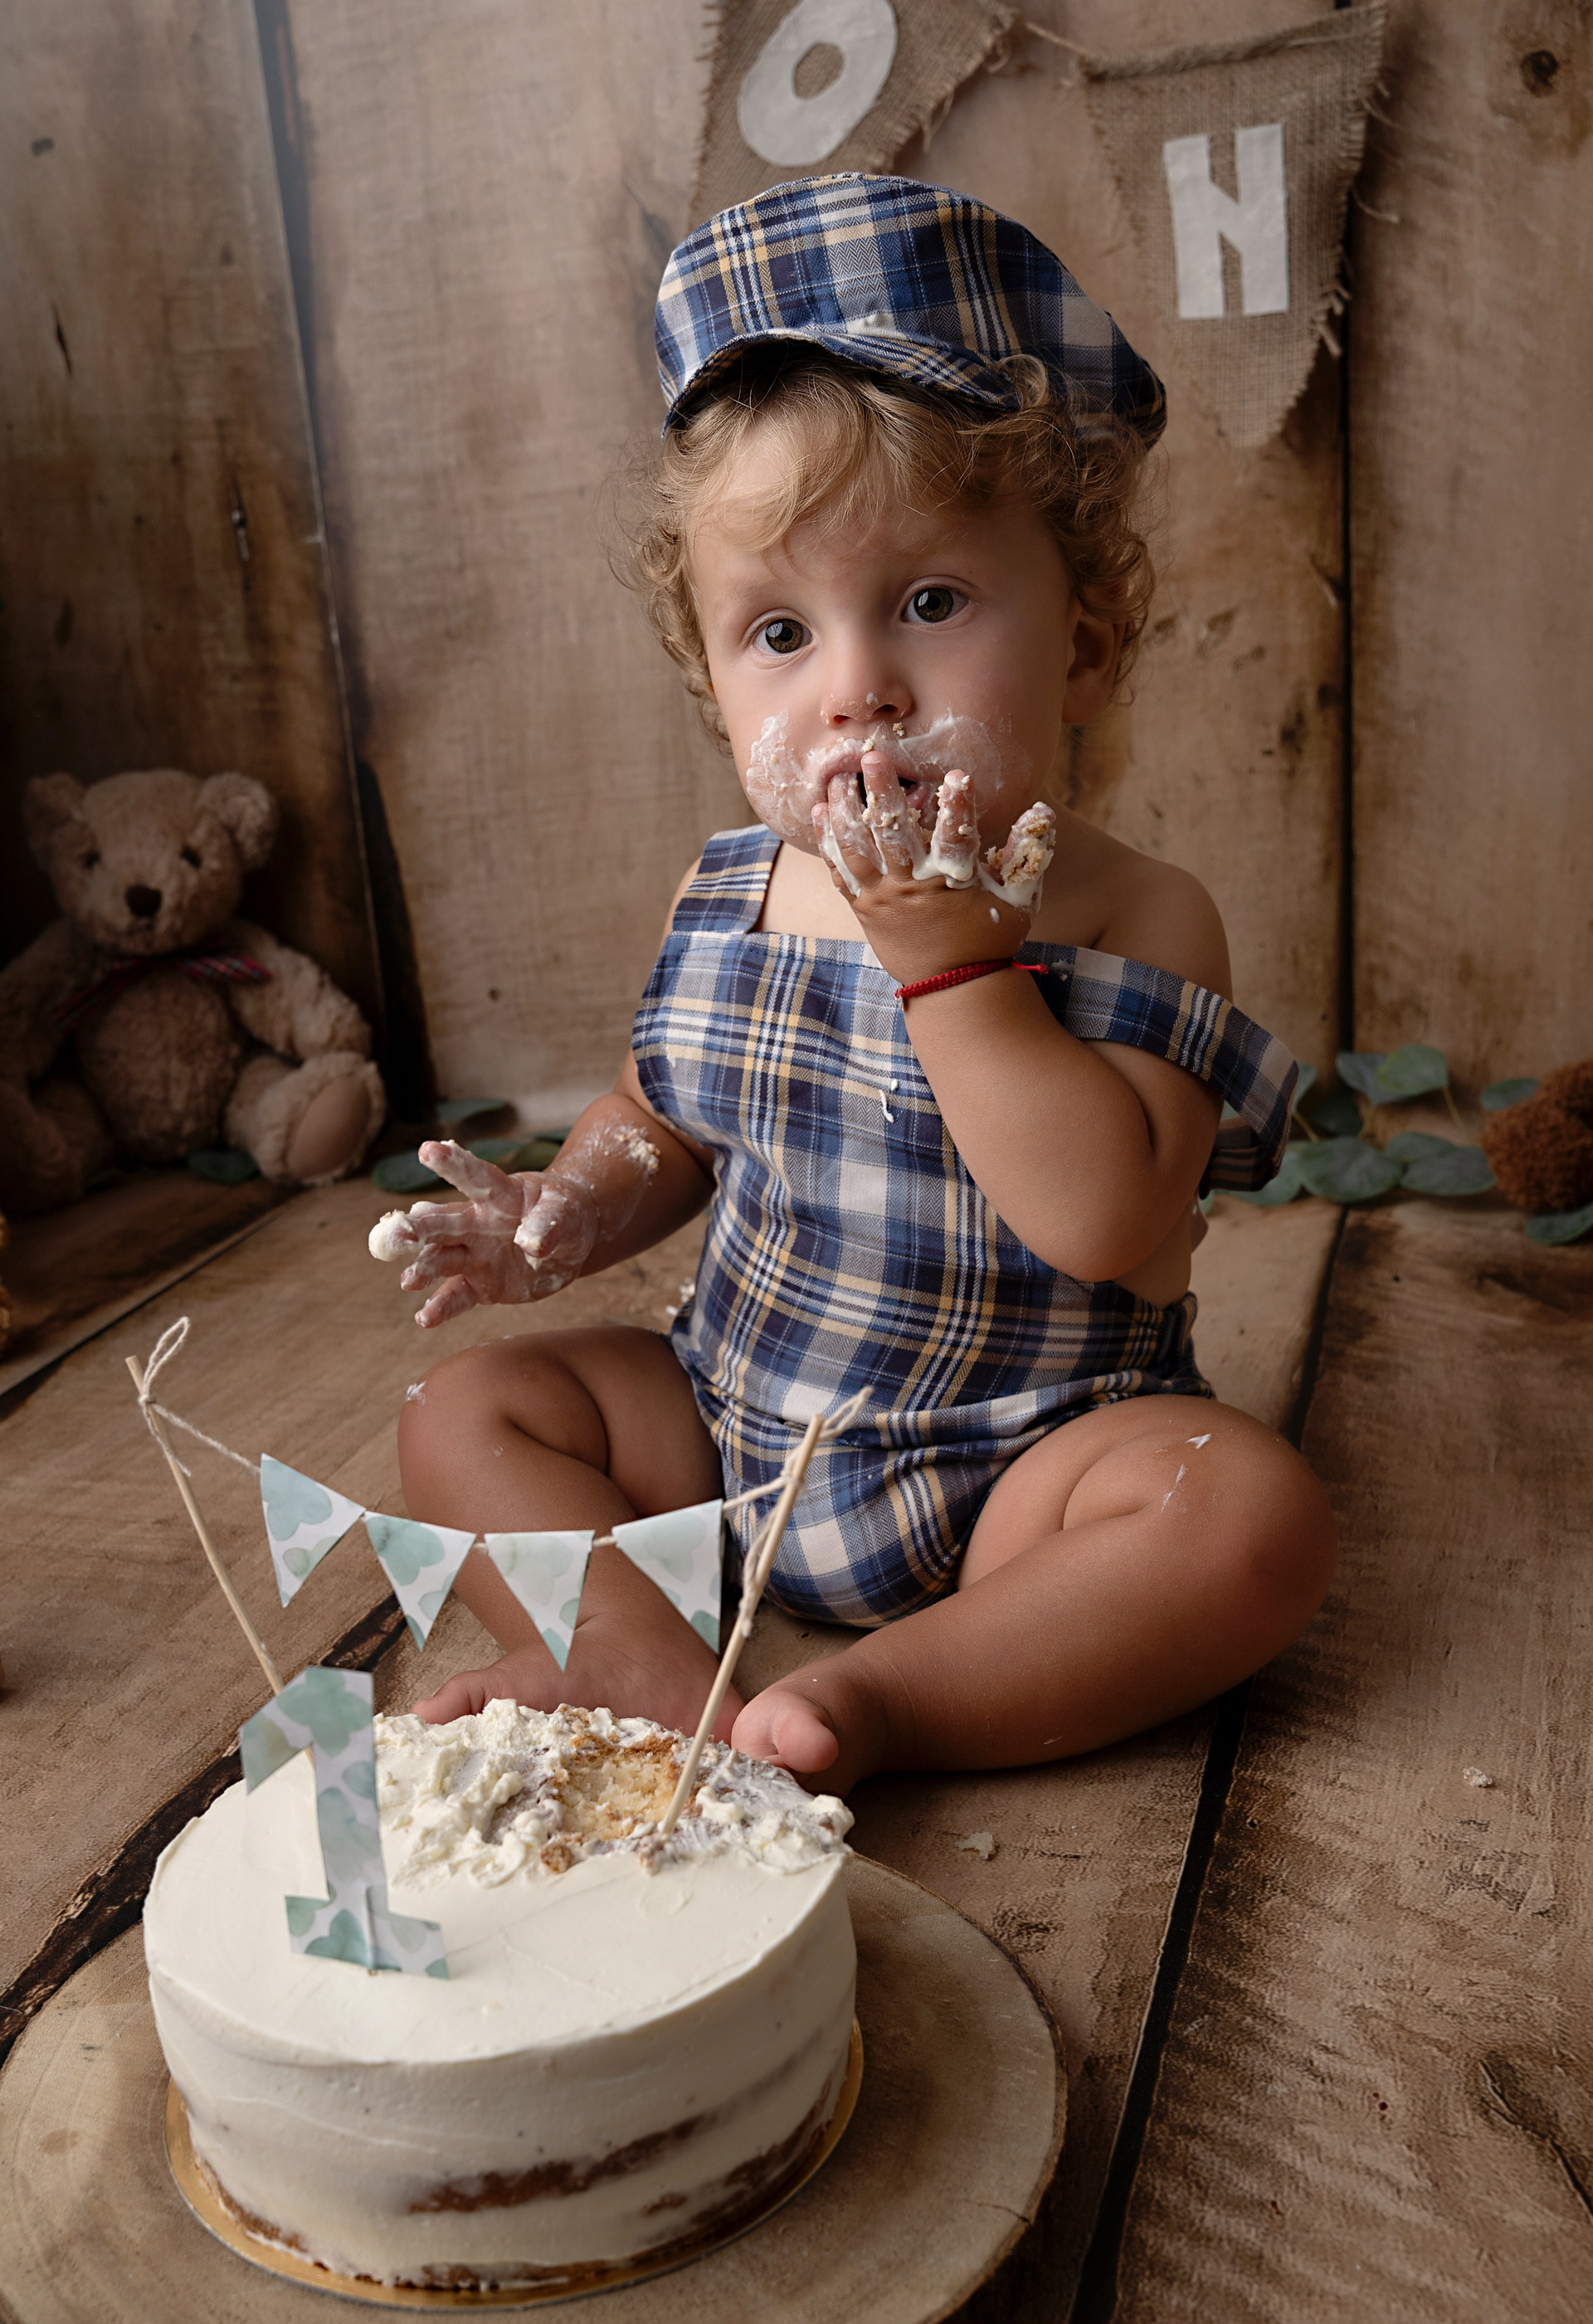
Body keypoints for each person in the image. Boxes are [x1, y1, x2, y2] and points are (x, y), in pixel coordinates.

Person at [382, 173, 1335, 1794]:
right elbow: (662, 1119)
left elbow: (1107, 1222)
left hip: (1031, 1468)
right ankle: (639, 1659)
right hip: (727, 1426)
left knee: (1248, 1518)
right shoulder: (732, 892)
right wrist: (570, 1210)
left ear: (1084, 646)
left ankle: (880, 1703)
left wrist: (959, 973)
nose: (858, 689)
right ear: (711, 683)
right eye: (777, 633)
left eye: (930, 603)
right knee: (463, 1413)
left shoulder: (1141, 916)